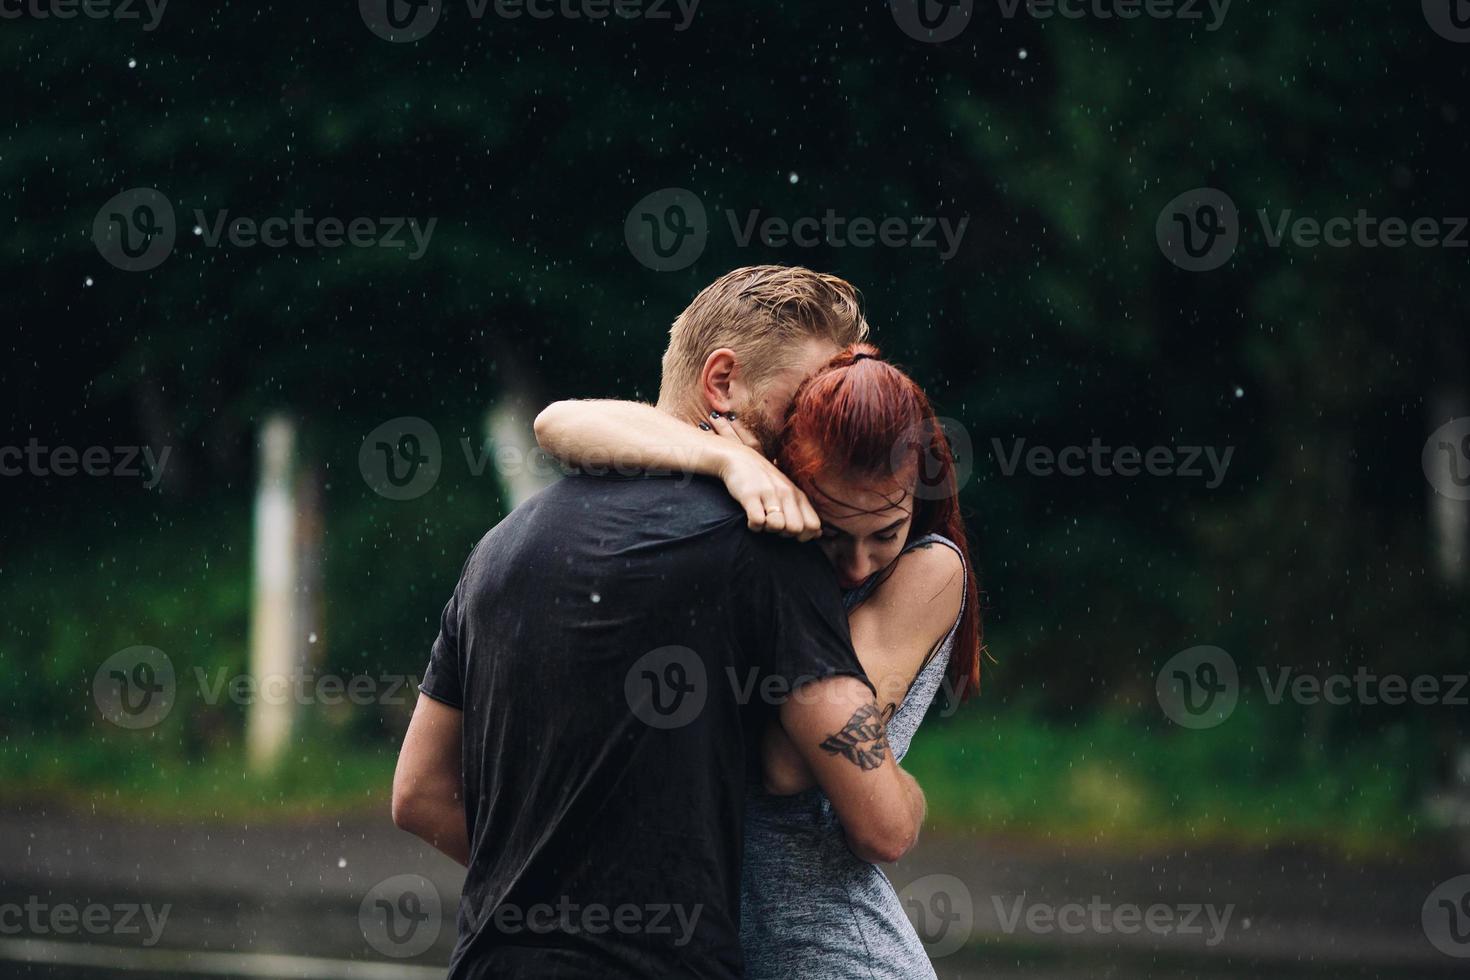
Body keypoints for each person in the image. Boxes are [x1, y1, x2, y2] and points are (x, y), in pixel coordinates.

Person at [391, 266, 929, 980]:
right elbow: (880, 823)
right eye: (806, 403)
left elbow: (419, 793)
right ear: (722, 382)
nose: (823, 428)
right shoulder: (769, 548)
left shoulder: (502, 546)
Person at [534, 341, 982, 979]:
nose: (857, 564)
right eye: (833, 533)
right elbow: (558, 423)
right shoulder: (760, 511)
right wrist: (726, 460)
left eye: (886, 531)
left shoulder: (929, 570)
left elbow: (787, 765)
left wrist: (903, 796)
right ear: (795, 477)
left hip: (838, 959)